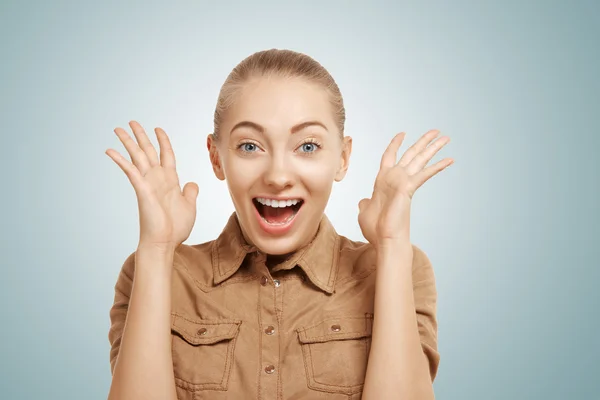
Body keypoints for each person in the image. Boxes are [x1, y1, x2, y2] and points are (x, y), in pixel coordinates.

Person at [105, 48, 453, 400]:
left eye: (307, 146)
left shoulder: (399, 269)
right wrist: (157, 249)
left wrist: (392, 246)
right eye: (251, 146)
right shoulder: (152, 271)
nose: (278, 176)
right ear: (216, 157)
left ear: (343, 158)